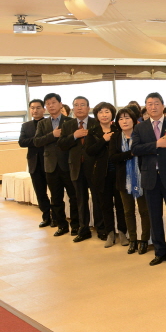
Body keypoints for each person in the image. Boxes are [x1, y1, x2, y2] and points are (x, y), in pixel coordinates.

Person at [131, 92, 166, 266]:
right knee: (154, 217)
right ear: (146, 107)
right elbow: (135, 149)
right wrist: (156, 144)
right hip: (150, 179)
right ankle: (160, 252)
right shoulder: (140, 128)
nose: (153, 107)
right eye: (149, 104)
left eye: (156, 103)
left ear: (162, 106)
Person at [34, 93, 78, 236]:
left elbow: (74, 142)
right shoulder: (42, 123)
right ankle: (61, 225)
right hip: (50, 166)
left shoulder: (70, 121)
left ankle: (76, 225)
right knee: (56, 198)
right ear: (46, 107)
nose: (51, 105)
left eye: (53, 102)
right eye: (48, 103)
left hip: (68, 164)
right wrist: (53, 135)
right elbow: (37, 142)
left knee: (74, 196)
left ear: (60, 104)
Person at [58, 96, 101, 242]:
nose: (79, 108)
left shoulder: (96, 123)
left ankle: (101, 228)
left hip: (94, 167)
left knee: (97, 198)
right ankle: (84, 230)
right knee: (80, 199)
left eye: (82, 105)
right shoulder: (68, 125)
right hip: (76, 167)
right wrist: (74, 136)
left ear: (89, 108)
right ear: (72, 108)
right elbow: (62, 144)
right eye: (76, 105)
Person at [109, 107, 151, 255]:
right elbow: (113, 157)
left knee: (144, 211)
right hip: (123, 179)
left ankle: (144, 240)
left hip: (142, 177)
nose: (124, 121)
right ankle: (132, 239)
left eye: (127, 118)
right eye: (121, 118)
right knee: (128, 211)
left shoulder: (142, 135)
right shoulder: (115, 137)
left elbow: (148, 152)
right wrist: (131, 153)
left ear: (134, 120)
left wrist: (132, 153)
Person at [86, 102, 128, 248]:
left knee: (121, 204)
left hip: (118, 172)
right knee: (105, 205)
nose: (104, 115)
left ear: (112, 114)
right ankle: (110, 232)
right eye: (101, 112)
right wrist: (104, 140)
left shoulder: (119, 129)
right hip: (101, 174)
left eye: (107, 112)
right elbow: (90, 151)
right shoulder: (92, 131)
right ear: (96, 115)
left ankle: (122, 231)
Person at [18, 99, 52, 227]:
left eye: (38, 108)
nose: (35, 110)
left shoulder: (49, 123)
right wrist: (39, 140)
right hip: (34, 163)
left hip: (49, 161)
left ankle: (56, 216)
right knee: (40, 192)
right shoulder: (26, 126)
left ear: (44, 109)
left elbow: (52, 139)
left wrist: (36, 140)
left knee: (54, 191)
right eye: (32, 108)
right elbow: (22, 142)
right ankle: (46, 216)